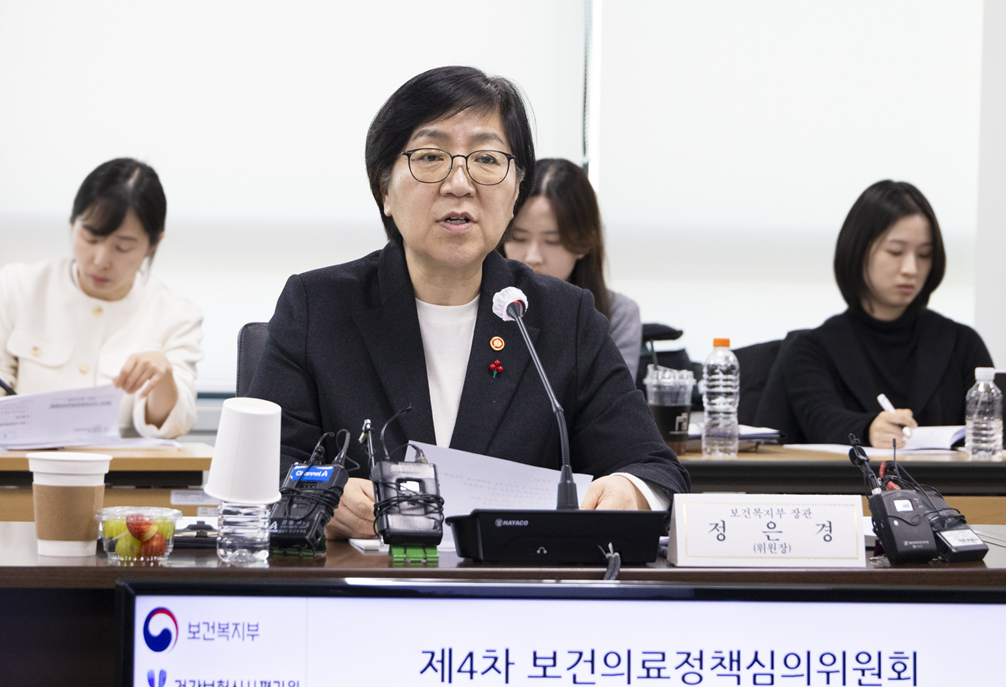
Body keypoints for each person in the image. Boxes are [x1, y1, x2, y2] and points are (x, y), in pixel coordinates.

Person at [248, 66, 689, 539]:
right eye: (430, 157)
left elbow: (654, 469)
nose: (459, 183)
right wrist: (322, 494)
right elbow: (260, 464)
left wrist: (629, 490)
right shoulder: (317, 307)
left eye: (486, 159)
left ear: (516, 190)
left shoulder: (566, 318)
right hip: (362, 579)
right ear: (385, 190)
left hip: (513, 581)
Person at [755, 180, 992, 447]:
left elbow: (996, 435)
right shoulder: (811, 349)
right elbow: (822, 420)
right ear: (858, 251)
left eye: (925, 254)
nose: (911, 269)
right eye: (895, 252)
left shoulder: (961, 345)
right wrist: (868, 430)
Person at [0, 158, 203, 438]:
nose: (100, 260)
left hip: (120, 467)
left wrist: (163, 376)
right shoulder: (17, 287)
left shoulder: (176, 316)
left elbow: (173, 425)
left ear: (153, 244)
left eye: (123, 247)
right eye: (91, 238)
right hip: (23, 465)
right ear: (72, 223)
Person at [503, 158, 642, 380]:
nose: (532, 257)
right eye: (518, 238)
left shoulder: (618, 314)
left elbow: (614, 400)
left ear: (585, 241)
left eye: (553, 241)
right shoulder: (478, 305)